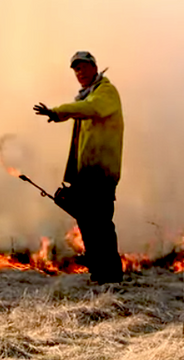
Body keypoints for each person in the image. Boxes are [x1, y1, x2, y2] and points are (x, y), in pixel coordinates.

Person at [33, 51, 124, 284]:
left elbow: (92, 109)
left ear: (95, 68)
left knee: (100, 223)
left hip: (101, 171)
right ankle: (98, 273)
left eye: (83, 67)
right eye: (75, 69)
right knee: (87, 222)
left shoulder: (106, 92)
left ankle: (111, 276)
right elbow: (82, 114)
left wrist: (59, 112)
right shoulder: (85, 99)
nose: (79, 73)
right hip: (85, 173)